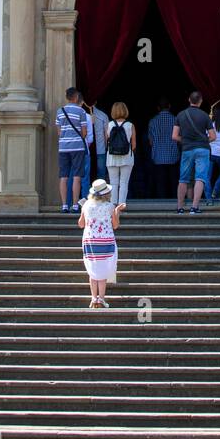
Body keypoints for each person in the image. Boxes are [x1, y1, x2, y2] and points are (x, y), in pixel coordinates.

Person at [79, 179, 124, 309]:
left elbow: (81, 224)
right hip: (106, 241)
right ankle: (102, 299)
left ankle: (94, 298)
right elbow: (115, 225)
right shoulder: (109, 207)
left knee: (93, 271)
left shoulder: (86, 205)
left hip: (90, 241)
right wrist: (117, 212)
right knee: (103, 271)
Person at [173, 90, 215, 215]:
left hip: (187, 149)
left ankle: (180, 208)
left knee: (183, 179)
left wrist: (185, 141)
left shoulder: (180, 115)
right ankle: (194, 207)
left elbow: (174, 136)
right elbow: (213, 136)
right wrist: (203, 141)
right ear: (200, 101)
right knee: (200, 178)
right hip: (202, 149)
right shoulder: (204, 116)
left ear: (189, 100)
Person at [56, 86, 88, 214]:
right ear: (76, 97)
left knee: (63, 176)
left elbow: (59, 132)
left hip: (63, 147)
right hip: (77, 147)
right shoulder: (81, 112)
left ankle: (64, 205)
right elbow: (84, 132)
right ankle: (75, 205)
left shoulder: (60, 111)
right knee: (77, 176)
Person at [147, 98, 179, 199]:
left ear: (158, 108)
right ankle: (175, 200)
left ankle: (161, 201)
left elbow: (150, 142)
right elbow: (179, 138)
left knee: (160, 183)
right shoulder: (176, 120)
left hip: (158, 157)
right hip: (173, 156)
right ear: (169, 106)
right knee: (174, 182)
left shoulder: (152, 121)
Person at [106, 102, 136, 206]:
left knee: (113, 182)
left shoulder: (109, 125)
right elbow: (134, 145)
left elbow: (107, 141)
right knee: (124, 182)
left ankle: (113, 204)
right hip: (126, 157)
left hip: (112, 157)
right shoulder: (130, 125)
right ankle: (121, 204)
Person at [89, 100, 110, 183]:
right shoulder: (103, 115)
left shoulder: (82, 114)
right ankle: (100, 195)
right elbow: (106, 135)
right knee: (101, 176)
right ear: (96, 102)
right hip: (100, 150)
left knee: (86, 175)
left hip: (87, 150)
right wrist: (105, 147)